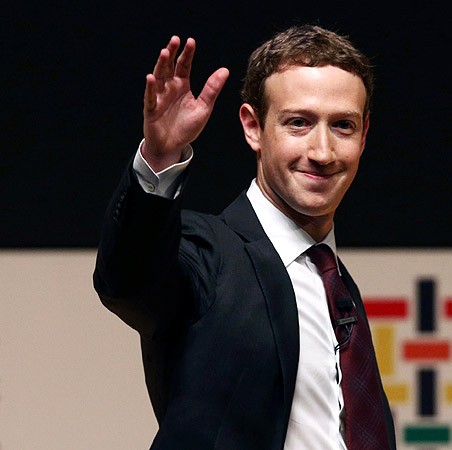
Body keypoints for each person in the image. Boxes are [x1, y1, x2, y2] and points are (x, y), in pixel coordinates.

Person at [93, 24, 397, 449]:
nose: (323, 152)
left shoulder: (336, 285)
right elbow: (127, 280)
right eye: (298, 123)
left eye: (342, 125)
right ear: (253, 127)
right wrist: (159, 159)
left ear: (364, 135)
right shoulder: (207, 253)